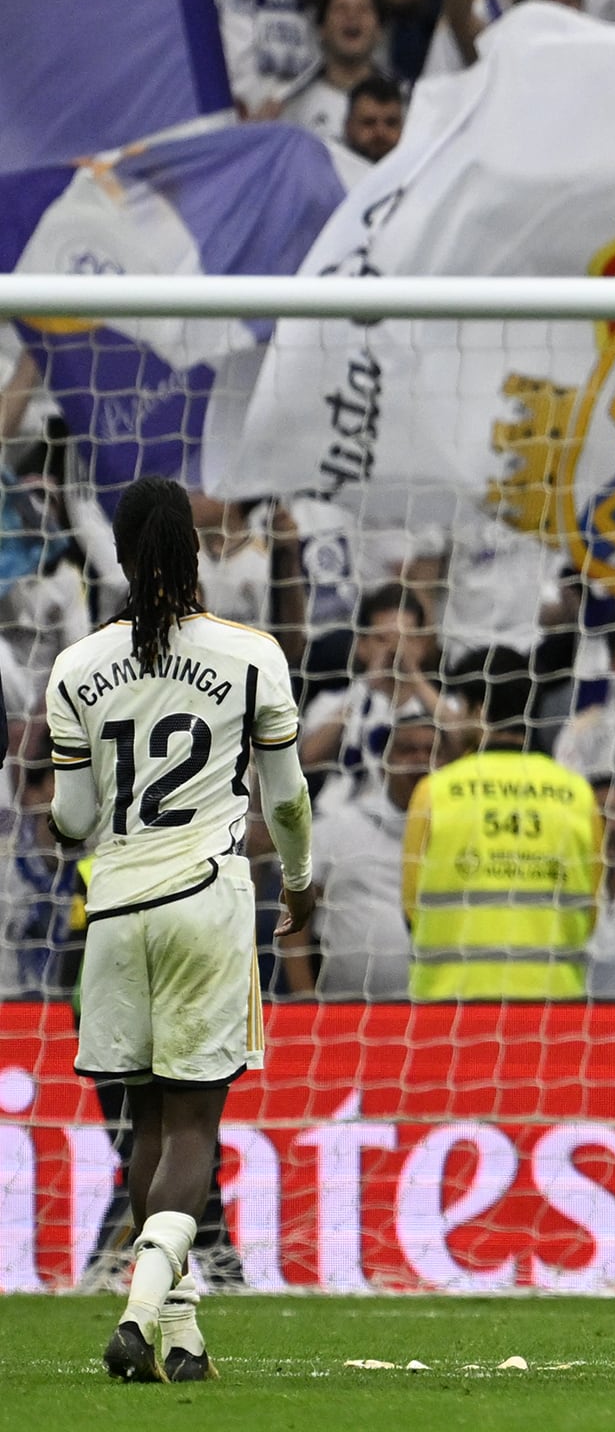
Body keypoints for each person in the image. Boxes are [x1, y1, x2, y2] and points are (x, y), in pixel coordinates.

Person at [47, 477, 312, 1383]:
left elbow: (73, 819)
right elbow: (288, 797)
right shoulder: (251, 655)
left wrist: (67, 817)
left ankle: (183, 1334)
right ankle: (135, 1312)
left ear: (118, 555)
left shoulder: (77, 666)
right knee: (195, 1124)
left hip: (114, 909)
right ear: (194, 555)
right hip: (207, 899)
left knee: (147, 1128)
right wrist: (302, 884)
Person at [401, 693, 600, 1000]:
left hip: (450, 999)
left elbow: (411, 907)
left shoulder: (435, 791)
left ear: (481, 710)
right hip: (553, 1000)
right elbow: (591, 911)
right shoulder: (578, 793)